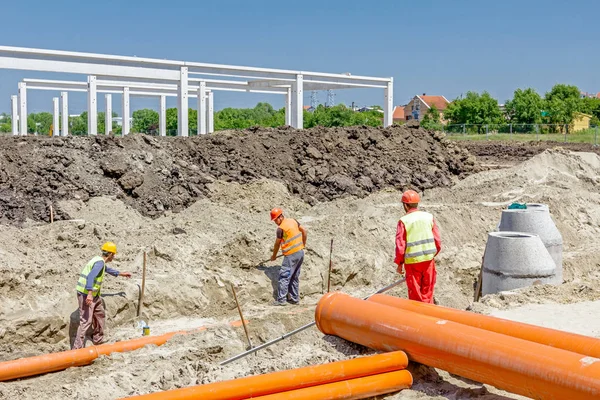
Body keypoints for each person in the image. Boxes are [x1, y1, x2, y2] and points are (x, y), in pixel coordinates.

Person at [73, 242, 132, 349]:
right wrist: (90, 294)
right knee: (86, 321)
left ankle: (98, 340)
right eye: (113, 255)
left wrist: (121, 274)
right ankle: (77, 349)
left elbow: (107, 270)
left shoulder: (99, 262)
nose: (113, 257)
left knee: (100, 314)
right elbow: (90, 277)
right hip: (86, 294)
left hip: (95, 295)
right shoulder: (99, 263)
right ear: (109, 254)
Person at [394, 190, 441, 303]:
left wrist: (399, 263)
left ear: (405, 205)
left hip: (412, 263)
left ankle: (417, 317)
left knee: (415, 295)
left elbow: (401, 245)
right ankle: (428, 316)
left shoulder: (404, 221)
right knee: (427, 293)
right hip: (428, 261)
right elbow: (437, 241)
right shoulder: (428, 217)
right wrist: (432, 254)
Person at [269, 208, 307, 306]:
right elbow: (304, 231)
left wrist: (274, 256)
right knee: (294, 276)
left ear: (280, 217)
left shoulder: (281, 229)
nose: (275, 222)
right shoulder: (293, 221)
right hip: (300, 253)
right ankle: (295, 299)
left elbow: (277, 244)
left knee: (284, 276)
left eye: (275, 220)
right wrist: (303, 244)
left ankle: (281, 300)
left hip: (291, 255)